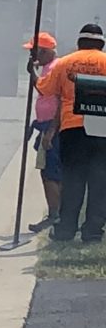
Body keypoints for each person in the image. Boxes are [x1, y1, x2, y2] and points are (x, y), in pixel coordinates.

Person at [35, 23, 106, 243]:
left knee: (73, 180)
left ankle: (66, 229)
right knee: (100, 182)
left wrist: (32, 69)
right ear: (101, 44)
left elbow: (45, 89)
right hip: (102, 130)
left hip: (72, 129)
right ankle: (93, 232)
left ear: (79, 43)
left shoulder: (64, 63)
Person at [23, 31, 61, 232]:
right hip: (45, 125)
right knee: (49, 170)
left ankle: (55, 214)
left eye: (34, 52)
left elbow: (46, 91)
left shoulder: (53, 69)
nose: (32, 56)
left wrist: (50, 132)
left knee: (50, 172)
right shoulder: (49, 67)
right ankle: (56, 213)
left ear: (44, 51)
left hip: (52, 129)